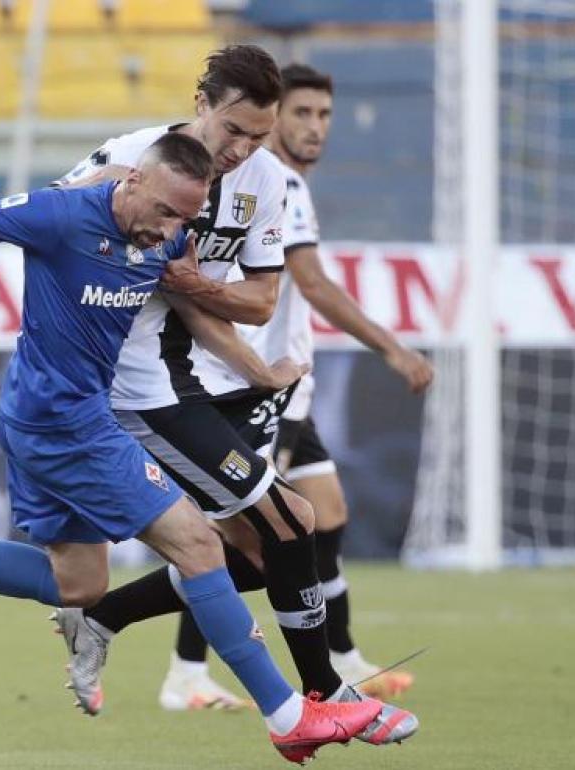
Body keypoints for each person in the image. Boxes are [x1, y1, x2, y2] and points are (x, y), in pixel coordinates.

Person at [0, 133, 406, 764]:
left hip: (38, 415)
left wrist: (260, 372)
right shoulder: (59, 216)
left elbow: (197, 311)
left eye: (187, 216)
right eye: (164, 210)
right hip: (67, 422)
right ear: (132, 179)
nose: (172, 230)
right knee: (204, 546)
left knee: (79, 583)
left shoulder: (168, 233)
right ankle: (290, 717)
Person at [49, 44, 415, 742]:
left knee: (249, 551)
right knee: (292, 519)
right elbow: (47, 219)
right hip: (130, 394)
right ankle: (323, 694)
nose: (243, 148)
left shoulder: (267, 181)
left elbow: (260, 299)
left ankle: (100, 618)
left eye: (257, 134)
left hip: (195, 382)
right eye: (233, 131)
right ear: (200, 105)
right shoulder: (131, 157)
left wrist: (199, 291)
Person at [159, 63, 435, 711]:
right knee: (251, 537)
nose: (313, 128)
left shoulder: (272, 186)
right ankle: (184, 666)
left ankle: (339, 656)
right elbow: (309, 284)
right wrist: (393, 349)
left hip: (282, 382)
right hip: (248, 383)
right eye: (300, 114)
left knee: (323, 513)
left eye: (324, 115)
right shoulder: (268, 183)